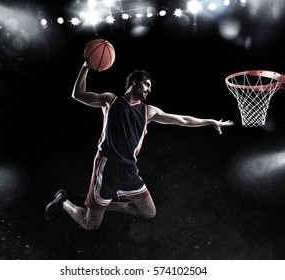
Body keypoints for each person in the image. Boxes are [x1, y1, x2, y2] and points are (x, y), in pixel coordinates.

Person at [45, 61, 234, 230]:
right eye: (147, 84)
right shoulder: (111, 101)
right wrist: (86, 67)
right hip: (107, 166)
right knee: (90, 224)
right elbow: (77, 94)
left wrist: (210, 121)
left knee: (149, 211)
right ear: (135, 82)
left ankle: (105, 205)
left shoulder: (148, 111)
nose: (149, 89)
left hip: (128, 169)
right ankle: (64, 202)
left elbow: (183, 120)